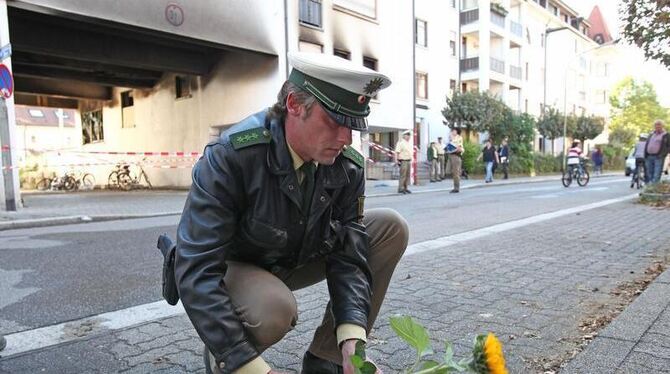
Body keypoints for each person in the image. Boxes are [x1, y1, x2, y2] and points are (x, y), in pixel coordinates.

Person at [172, 52, 409, 374]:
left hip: (294, 255)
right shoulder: (233, 155)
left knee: (390, 228)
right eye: (335, 121)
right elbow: (196, 266)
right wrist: (254, 369)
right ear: (295, 104)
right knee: (273, 309)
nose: (345, 138)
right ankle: (230, 357)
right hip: (235, 266)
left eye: (353, 125)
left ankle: (327, 359)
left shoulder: (346, 165)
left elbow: (350, 257)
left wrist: (353, 342)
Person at [644, 119, 669, 184]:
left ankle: (653, 188)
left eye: (659, 125)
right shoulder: (651, 134)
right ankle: (651, 188)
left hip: (658, 157)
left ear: (662, 126)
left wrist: (663, 154)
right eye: (656, 125)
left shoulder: (666, 135)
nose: (657, 126)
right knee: (649, 174)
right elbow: (647, 144)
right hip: (649, 156)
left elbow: (668, 147)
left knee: (656, 174)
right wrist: (645, 154)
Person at [446, 128, 464, 193]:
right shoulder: (451, 139)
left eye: (454, 131)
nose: (452, 132)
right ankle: (455, 186)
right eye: (452, 131)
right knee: (450, 171)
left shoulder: (459, 138)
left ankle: (456, 188)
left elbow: (459, 148)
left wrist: (453, 149)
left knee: (456, 172)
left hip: (456, 156)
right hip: (451, 155)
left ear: (457, 132)